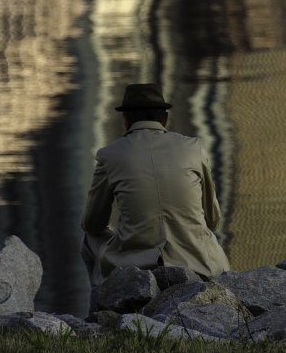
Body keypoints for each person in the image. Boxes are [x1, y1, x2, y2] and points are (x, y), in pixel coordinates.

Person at [80, 83, 230, 287]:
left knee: (89, 239)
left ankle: (99, 308)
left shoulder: (109, 155)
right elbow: (212, 219)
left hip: (136, 266)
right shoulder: (194, 148)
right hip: (199, 264)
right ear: (165, 118)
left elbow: (93, 224)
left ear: (126, 120)